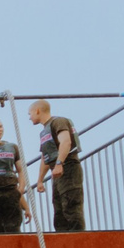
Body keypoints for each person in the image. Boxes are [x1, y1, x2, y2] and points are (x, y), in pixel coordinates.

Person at [31, 100, 86, 233]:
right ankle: (62, 239)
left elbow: (66, 142)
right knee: (59, 208)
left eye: (30, 113)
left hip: (68, 167)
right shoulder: (44, 132)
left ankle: (77, 238)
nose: (30, 117)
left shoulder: (58, 122)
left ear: (38, 110)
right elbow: (45, 157)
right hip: (56, 171)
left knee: (71, 205)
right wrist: (40, 180)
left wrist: (59, 163)